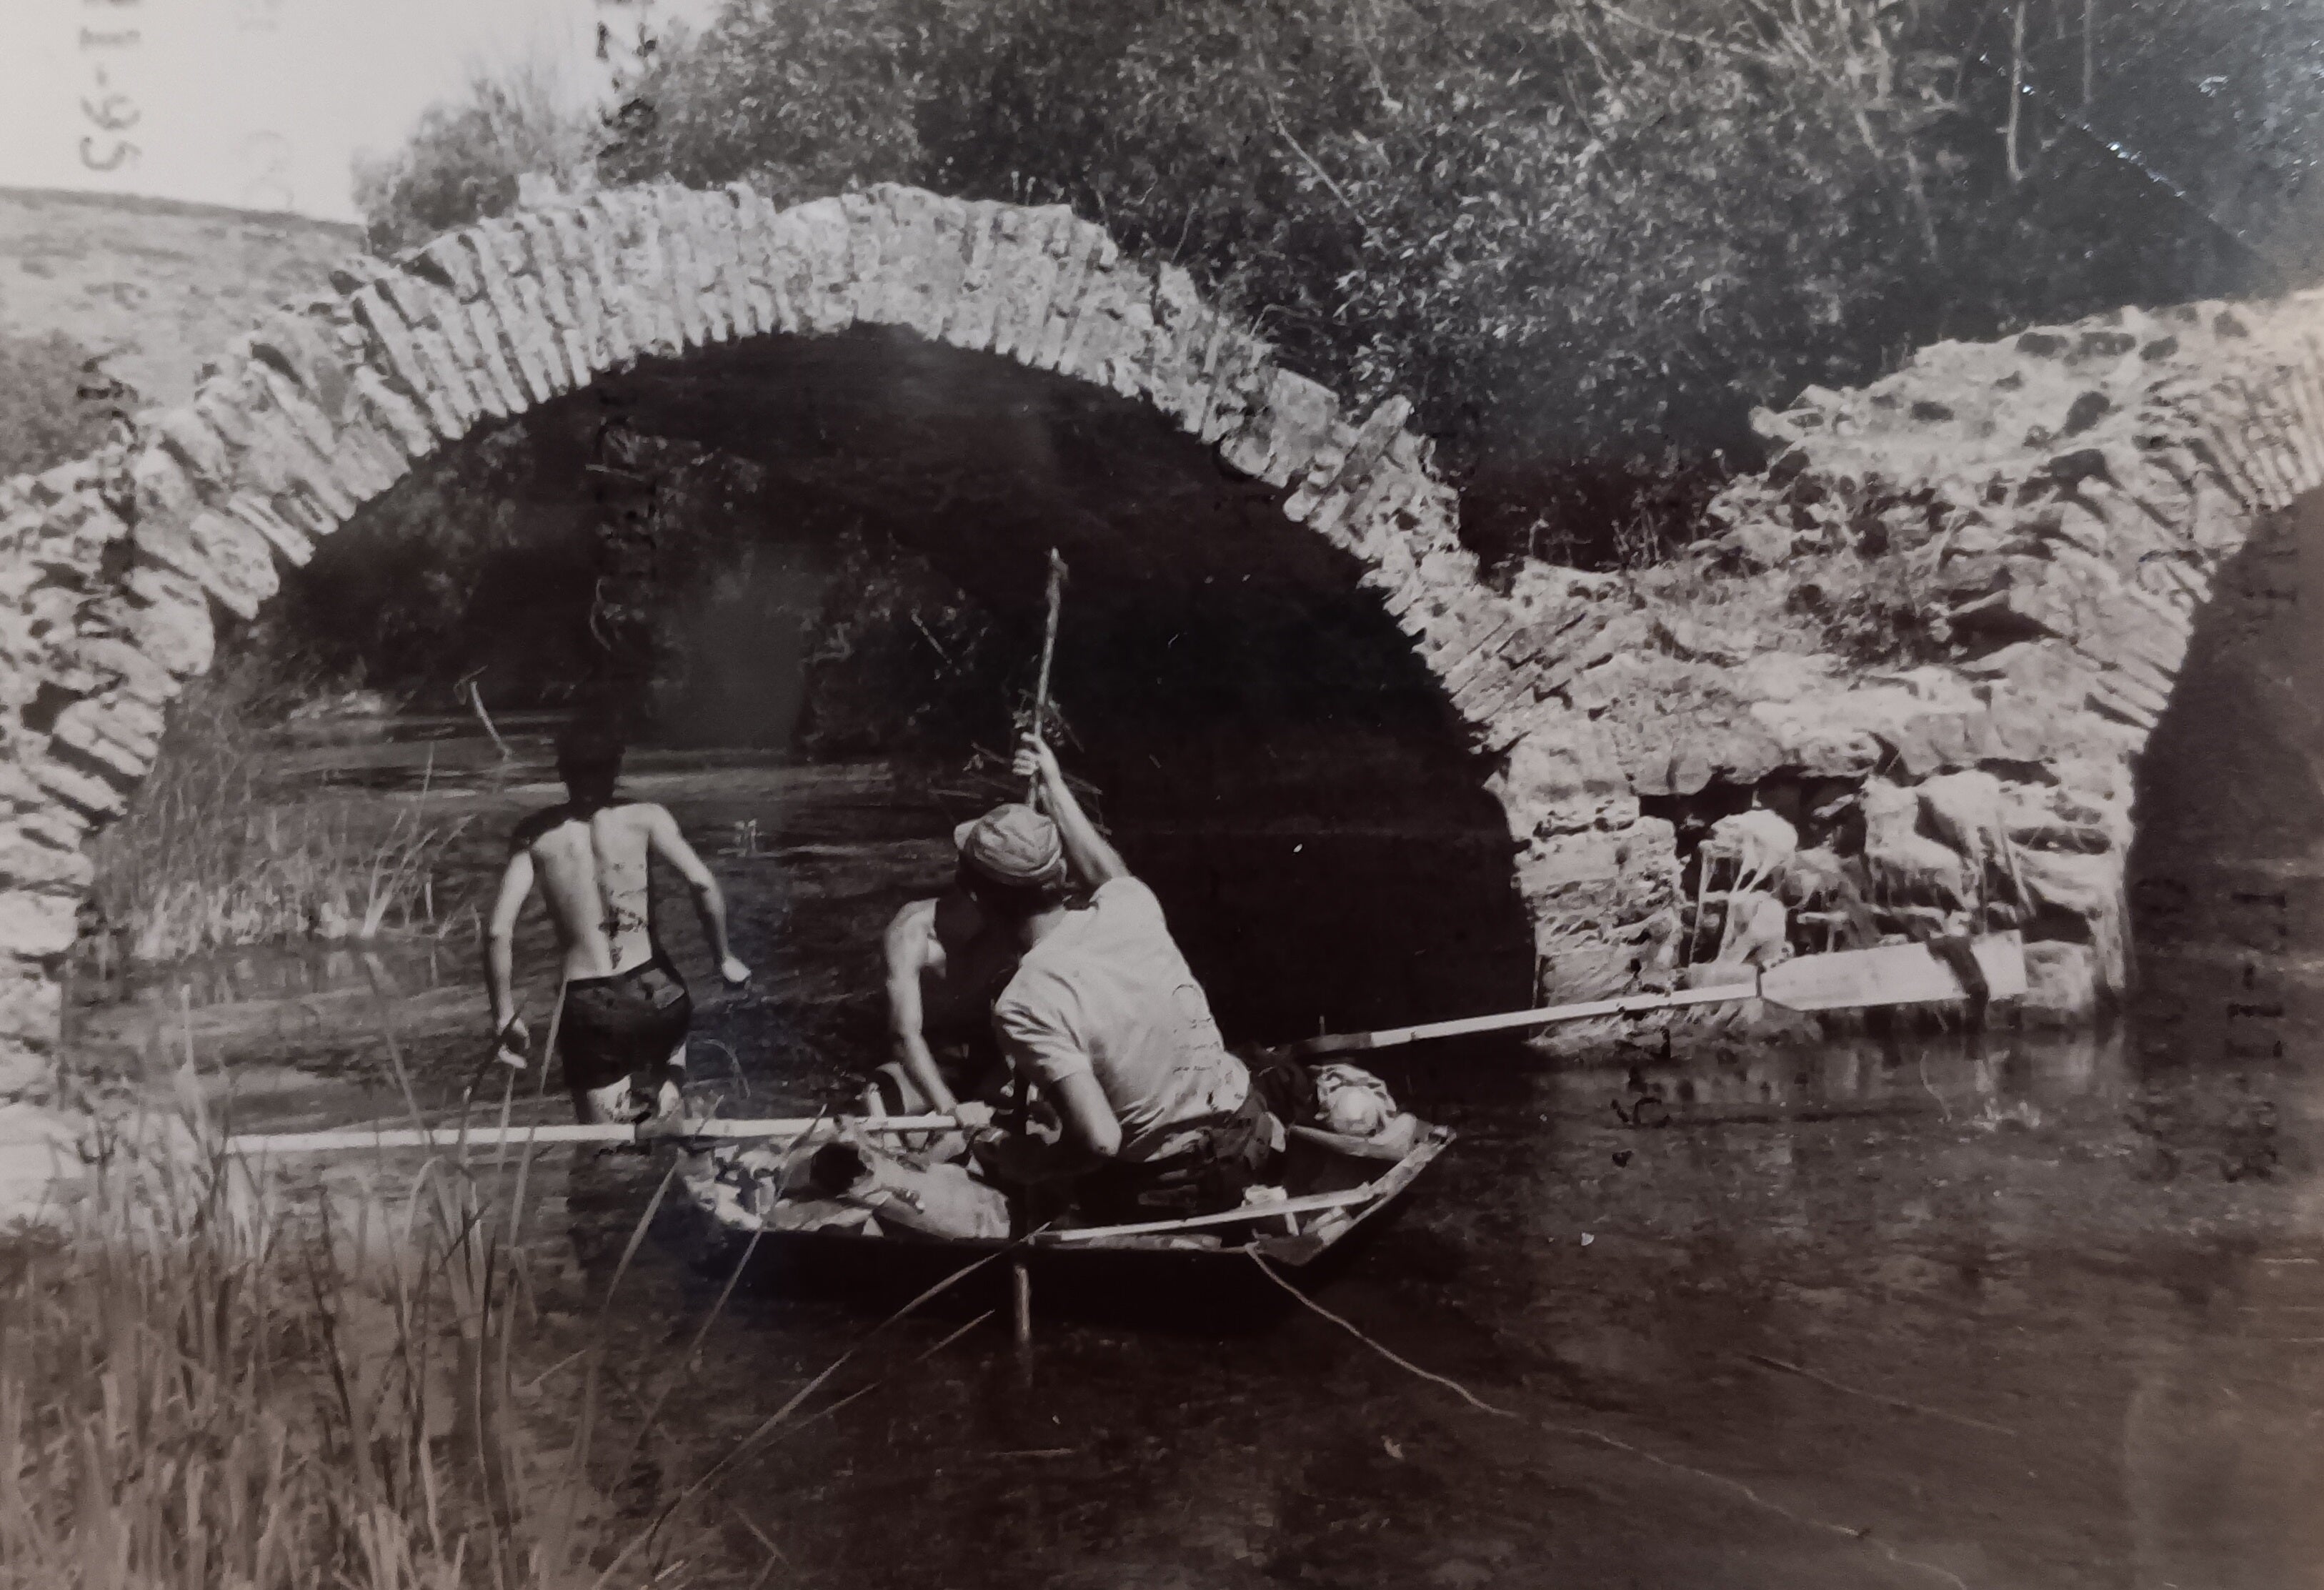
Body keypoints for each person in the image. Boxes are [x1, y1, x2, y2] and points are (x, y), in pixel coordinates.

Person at [961, 735, 1281, 1221]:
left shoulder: (1024, 1000)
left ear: (980, 900)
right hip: (1251, 1130)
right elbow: (1109, 872)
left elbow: (1100, 1140)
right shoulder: (1130, 906)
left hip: (1176, 1183)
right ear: (1060, 870)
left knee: (1032, 1171)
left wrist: (1029, 1162)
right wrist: (1053, 782)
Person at [484, 722, 751, 1123]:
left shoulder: (535, 835)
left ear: (562, 771)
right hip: (657, 989)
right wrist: (724, 957)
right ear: (616, 768)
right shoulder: (647, 817)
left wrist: (504, 1013)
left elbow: (497, 931)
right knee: (666, 1108)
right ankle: (665, 1109)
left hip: (591, 1004)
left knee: (605, 1151)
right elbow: (700, 882)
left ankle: (626, 1156)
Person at [868, 873, 1021, 1121]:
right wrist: (950, 1110)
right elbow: (904, 1035)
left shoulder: (1015, 926)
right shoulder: (910, 932)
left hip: (994, 1058)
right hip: (934, 1059)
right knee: (882, 1095)